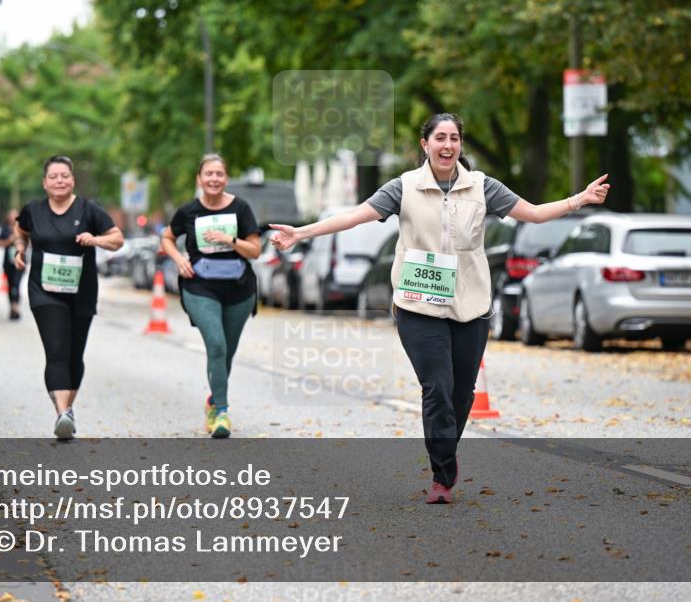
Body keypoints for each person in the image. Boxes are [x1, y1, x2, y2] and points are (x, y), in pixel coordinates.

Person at [271, 113, 610, 504]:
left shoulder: (482, 187)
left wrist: (580, 199)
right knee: (436, 388)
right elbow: (353, 217)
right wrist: (301, 233)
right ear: (425, 144)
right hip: (418, 305)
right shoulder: (404, 187)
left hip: (470, 305)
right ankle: (442, 475)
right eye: (440, 138)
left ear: (460, 145)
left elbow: (532, 213)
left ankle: (445, 452)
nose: (447, 145)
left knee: (461, 394)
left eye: (454, 138)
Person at [13, 155, 123, 440]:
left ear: (72, 180)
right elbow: (20, 230)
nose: (59, 181)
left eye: (64, 176)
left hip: (82, 293)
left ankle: (67, 411)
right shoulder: (33, 210)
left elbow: (117, 239)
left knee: (75, 355)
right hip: (44, 292)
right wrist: (20, 249)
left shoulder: (89, 210)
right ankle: (62, 413)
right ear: (44, 182)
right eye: (53, 176)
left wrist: (95, 240)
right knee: (57, 350)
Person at [161, 154, 261, 439]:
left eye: (219, 174)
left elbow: (255, 250)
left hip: (239, 288)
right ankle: (222, 412)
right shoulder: (188, 211)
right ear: (199, 179)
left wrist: (230, 240)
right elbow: (167, 237)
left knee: (226, 352)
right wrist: (179, 259)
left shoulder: (241, 209)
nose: (214, 179)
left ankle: (213, 401)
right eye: (209, 174)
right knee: (216, 344)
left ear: (226, 179)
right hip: (200, 286)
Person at [0, 208, 24, 320]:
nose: (13, 218)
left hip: (20, 261)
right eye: (11, 216)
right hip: (8, 262)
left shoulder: (23, 228)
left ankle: (16, 307)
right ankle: (12, 308)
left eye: (15, 216)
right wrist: (9, 241)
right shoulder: (4, 229)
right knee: (11, 285)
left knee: (16, 284)